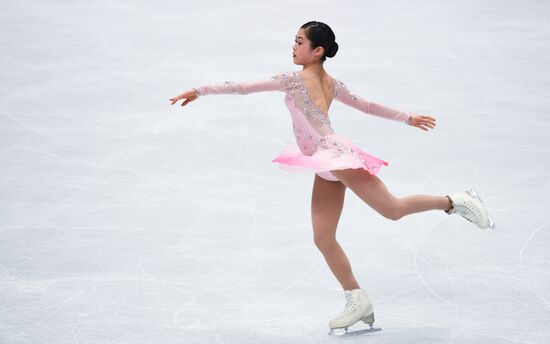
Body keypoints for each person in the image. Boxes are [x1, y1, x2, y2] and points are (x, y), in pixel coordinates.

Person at [169, 20, 495, 336]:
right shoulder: (328, 82)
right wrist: (407, 118)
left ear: (317, 51)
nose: (293, 46)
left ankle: (456, 201)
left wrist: (200, 90)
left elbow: (244, 88)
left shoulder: (295, 80)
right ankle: (357, 299)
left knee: (391, 209)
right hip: (322, 163)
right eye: (294, 41)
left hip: (335, 155)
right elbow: (365, 106)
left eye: (300, 42)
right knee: (323, 238)